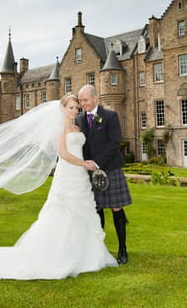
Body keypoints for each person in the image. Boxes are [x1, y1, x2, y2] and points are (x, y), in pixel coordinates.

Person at [0, 93, 118, 279]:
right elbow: (63, 153)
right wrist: (83, 164)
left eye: (76, 108)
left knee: (82, 211)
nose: (74, 111)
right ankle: (55, 254)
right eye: (71, 107)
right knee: (62, 210)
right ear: (62, 108)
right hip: (69, 173)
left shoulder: (77, 126)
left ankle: (85, 254)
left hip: (79, 176)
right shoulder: (60, 129)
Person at [76, 85, 132, 264]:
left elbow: (115, 143)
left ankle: (122, 249)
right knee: (97, 209)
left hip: (110, 168)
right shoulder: (78, 120)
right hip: (90, 172)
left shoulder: (110, 116)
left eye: (85, 100)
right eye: (80, 100)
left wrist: (97, 163)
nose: (82, 104)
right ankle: (98, 249)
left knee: (116, 208)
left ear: (95, 98)